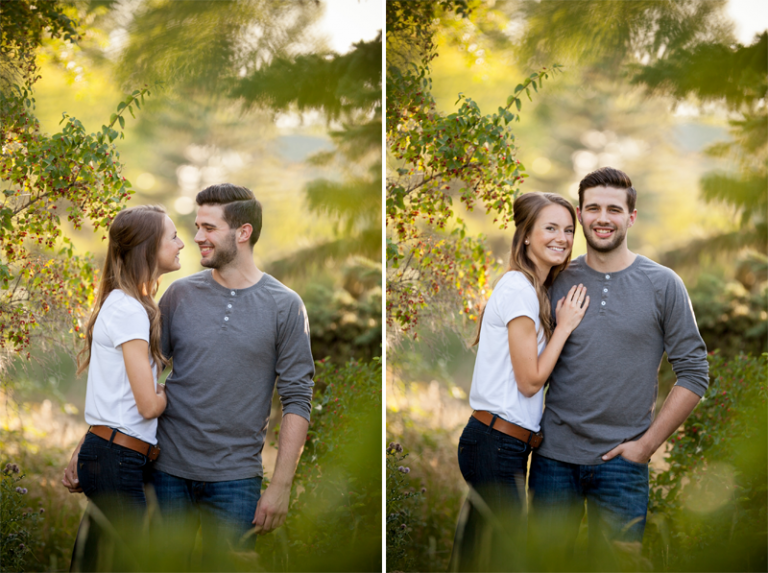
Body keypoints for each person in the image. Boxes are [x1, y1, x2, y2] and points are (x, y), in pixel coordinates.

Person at [63, 184, 314, 563]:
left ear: (243, 232)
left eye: (209, 228)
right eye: (196, 227)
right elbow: (135, 376)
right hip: (164, 472)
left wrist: (281, 486)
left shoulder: (285, 306)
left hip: (235, 479)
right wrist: (92, 441)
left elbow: (298, 398)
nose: (197, 237)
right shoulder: (178, 295)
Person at [527, 167, 709, 552]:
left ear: (631, 217)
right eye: (593, 208)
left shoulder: (663, 284)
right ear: (580, 215)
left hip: (623, 465)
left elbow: (694, 373)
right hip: (553, 460)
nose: (603, 218)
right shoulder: (554, 279)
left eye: (614, 209)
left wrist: (646, 447)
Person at [450, 192, 590, 571]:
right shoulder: (518, 290)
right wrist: (564, 328)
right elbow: (529, 382)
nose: (562, 238)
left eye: (568, 230)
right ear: (526, 235)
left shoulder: (533, 290)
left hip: (503, 444)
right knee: (504, 558)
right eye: (550, 228)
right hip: (494, 443)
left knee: (477, 557)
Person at [66, 205, 185, 571]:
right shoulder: (129, 310)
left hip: (112, 454)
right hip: (116, 459)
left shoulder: (124, 304)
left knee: (98, 562)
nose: (181, 244)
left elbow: (115, 397)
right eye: (173, 237)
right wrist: (168, 393)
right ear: (148, 248)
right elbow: (147, 405)